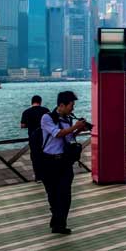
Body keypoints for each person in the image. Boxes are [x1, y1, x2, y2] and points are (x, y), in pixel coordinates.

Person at [40, 90, 88, 234]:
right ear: (61, 105)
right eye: (71, 105)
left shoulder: (68, 119)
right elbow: (57, 134)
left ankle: (60, 225)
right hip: (49, 162)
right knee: (53, 195)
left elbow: (68, 137)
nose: (73, 109)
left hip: (65, 161)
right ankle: (56, 220)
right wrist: (75, 127)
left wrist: (78, 130)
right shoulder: (47, 118)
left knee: (65, 195)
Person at [21, 95, 49, 182]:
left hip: (33, 138)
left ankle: (38, 177)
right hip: (45, 137)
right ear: (40, 102)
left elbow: (23, 125)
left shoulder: (26, 112)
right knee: (46, 156)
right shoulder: (45, 110)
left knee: (35, 157)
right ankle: (46, 175)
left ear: (32, 102)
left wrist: (30, 124)